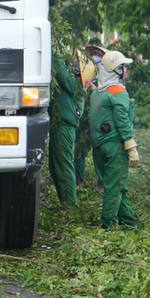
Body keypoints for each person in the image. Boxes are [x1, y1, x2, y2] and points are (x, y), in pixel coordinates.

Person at [89, 50, 139, 228]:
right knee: (115, 187)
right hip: (114, 145)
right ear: (116, 70)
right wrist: (130, 145)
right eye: (123, 67)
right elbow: (122, 120)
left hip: (100, 146)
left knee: (118, 185)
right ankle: (108, 226)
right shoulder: (118, 92)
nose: (126, 70)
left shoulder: (97, 93)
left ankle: (128, 223)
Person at [48, 48, 94, 206]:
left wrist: (55, 53)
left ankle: (69, 204)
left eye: (76, 67)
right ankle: (65, 202)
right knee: (55, 165)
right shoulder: (76, 86)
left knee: (63, 164)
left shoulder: (76, 87)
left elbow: (60, 72)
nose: (73, 67)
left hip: (64, 127)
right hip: (60, 126)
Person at [76, 44, 107, 191]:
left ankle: (102, 182)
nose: (96, 56)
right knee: (79, 147)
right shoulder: (85, 68)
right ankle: (78, 180)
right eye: (95, 53)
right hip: (83, 111)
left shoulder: (110, 72)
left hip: (99, 112)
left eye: (99, 54)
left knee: (99, 148)